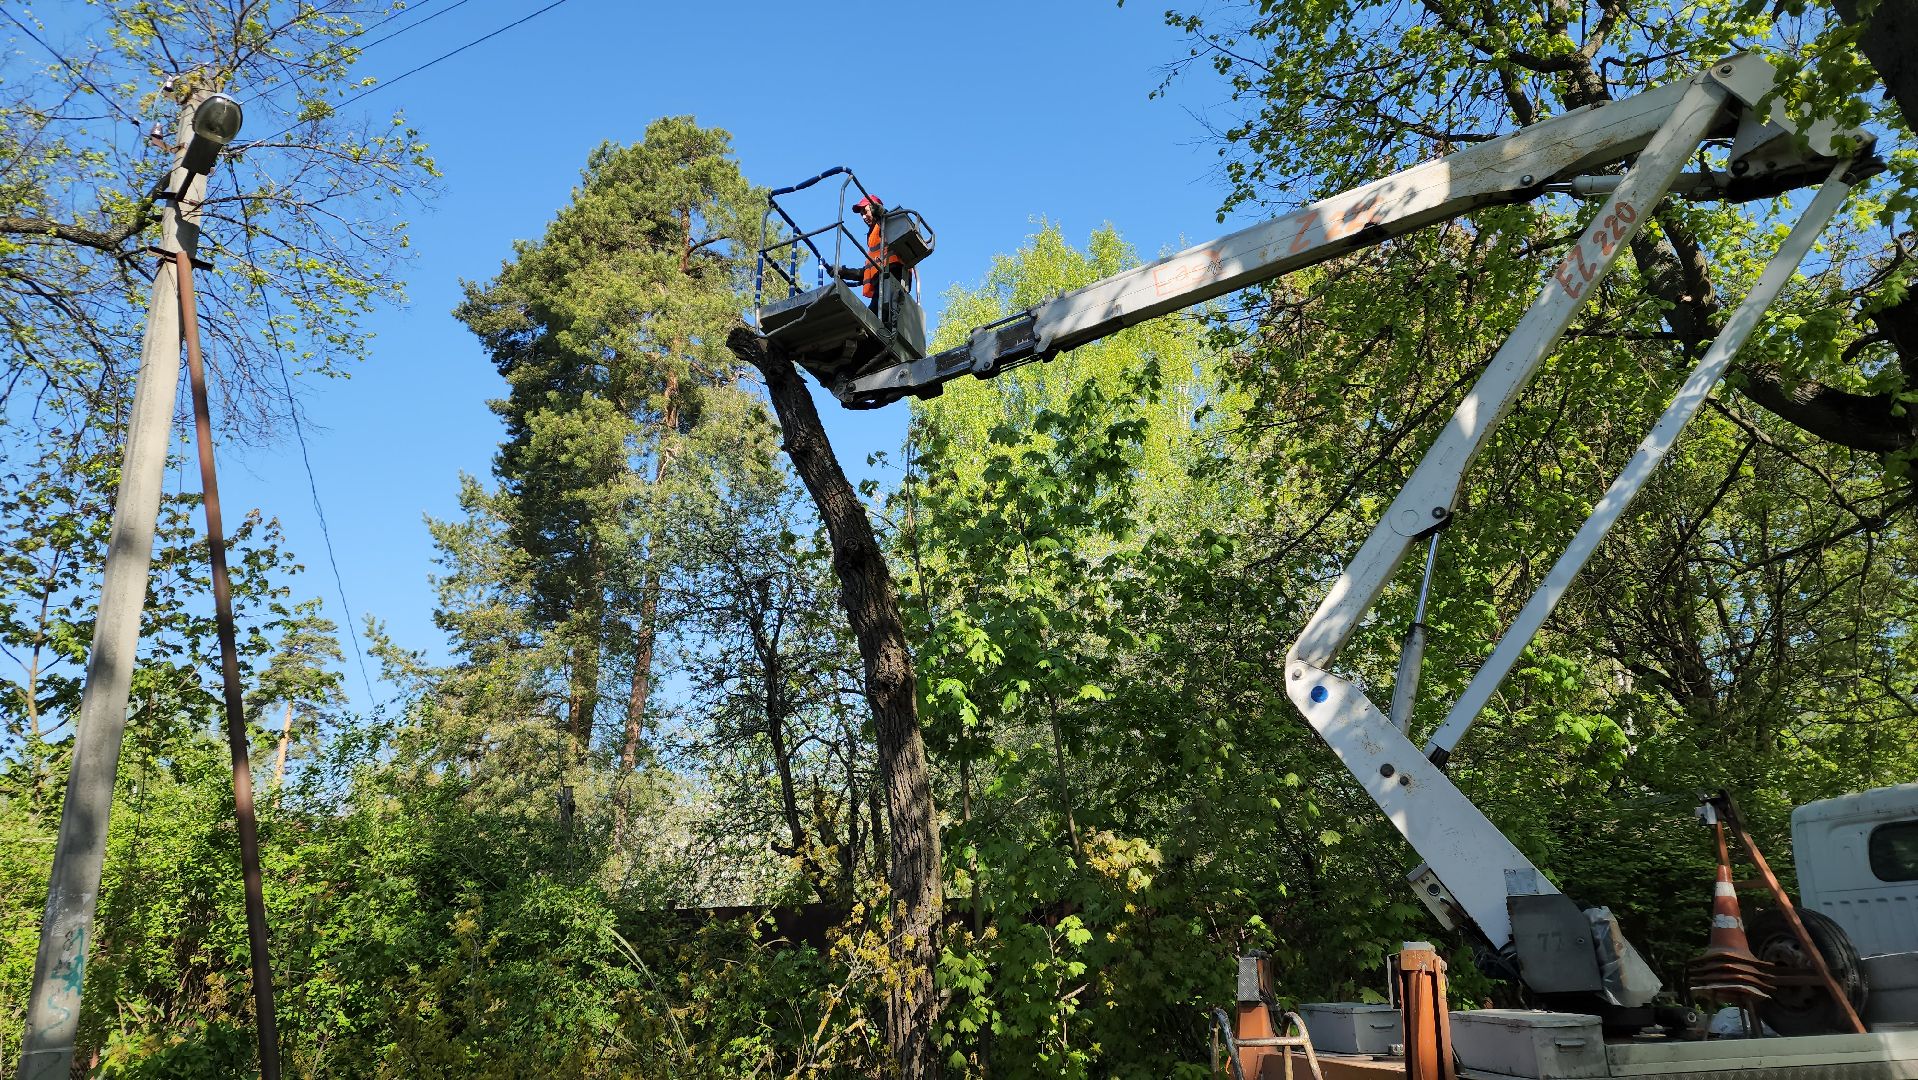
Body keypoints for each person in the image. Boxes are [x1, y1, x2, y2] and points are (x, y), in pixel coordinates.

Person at [839, 194, 912, 325]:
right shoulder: (873, 237)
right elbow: (868, 271)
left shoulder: (885, 223)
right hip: (882, 279)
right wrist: (844, 272)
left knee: (870, 321)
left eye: (865, 211)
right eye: (861, 214)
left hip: (893, 275)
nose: (863, 217)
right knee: (872, 319)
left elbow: (888, 218)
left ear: (873, 208)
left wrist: (880, 212)